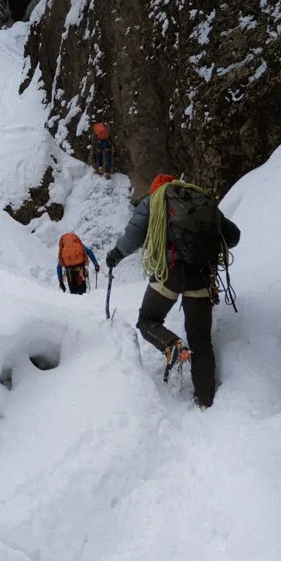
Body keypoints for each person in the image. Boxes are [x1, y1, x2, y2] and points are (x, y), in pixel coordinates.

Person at [105, 173, 242, 407]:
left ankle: (172, 346)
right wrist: (199, 248)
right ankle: (204, 401)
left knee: (147, 320)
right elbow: (233, 236)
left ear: (156, 189)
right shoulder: (200, 201)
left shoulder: (155, 201)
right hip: (200, 275)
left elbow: (134, 234)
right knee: (200, 340)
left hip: (170, 272)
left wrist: (115, 255)